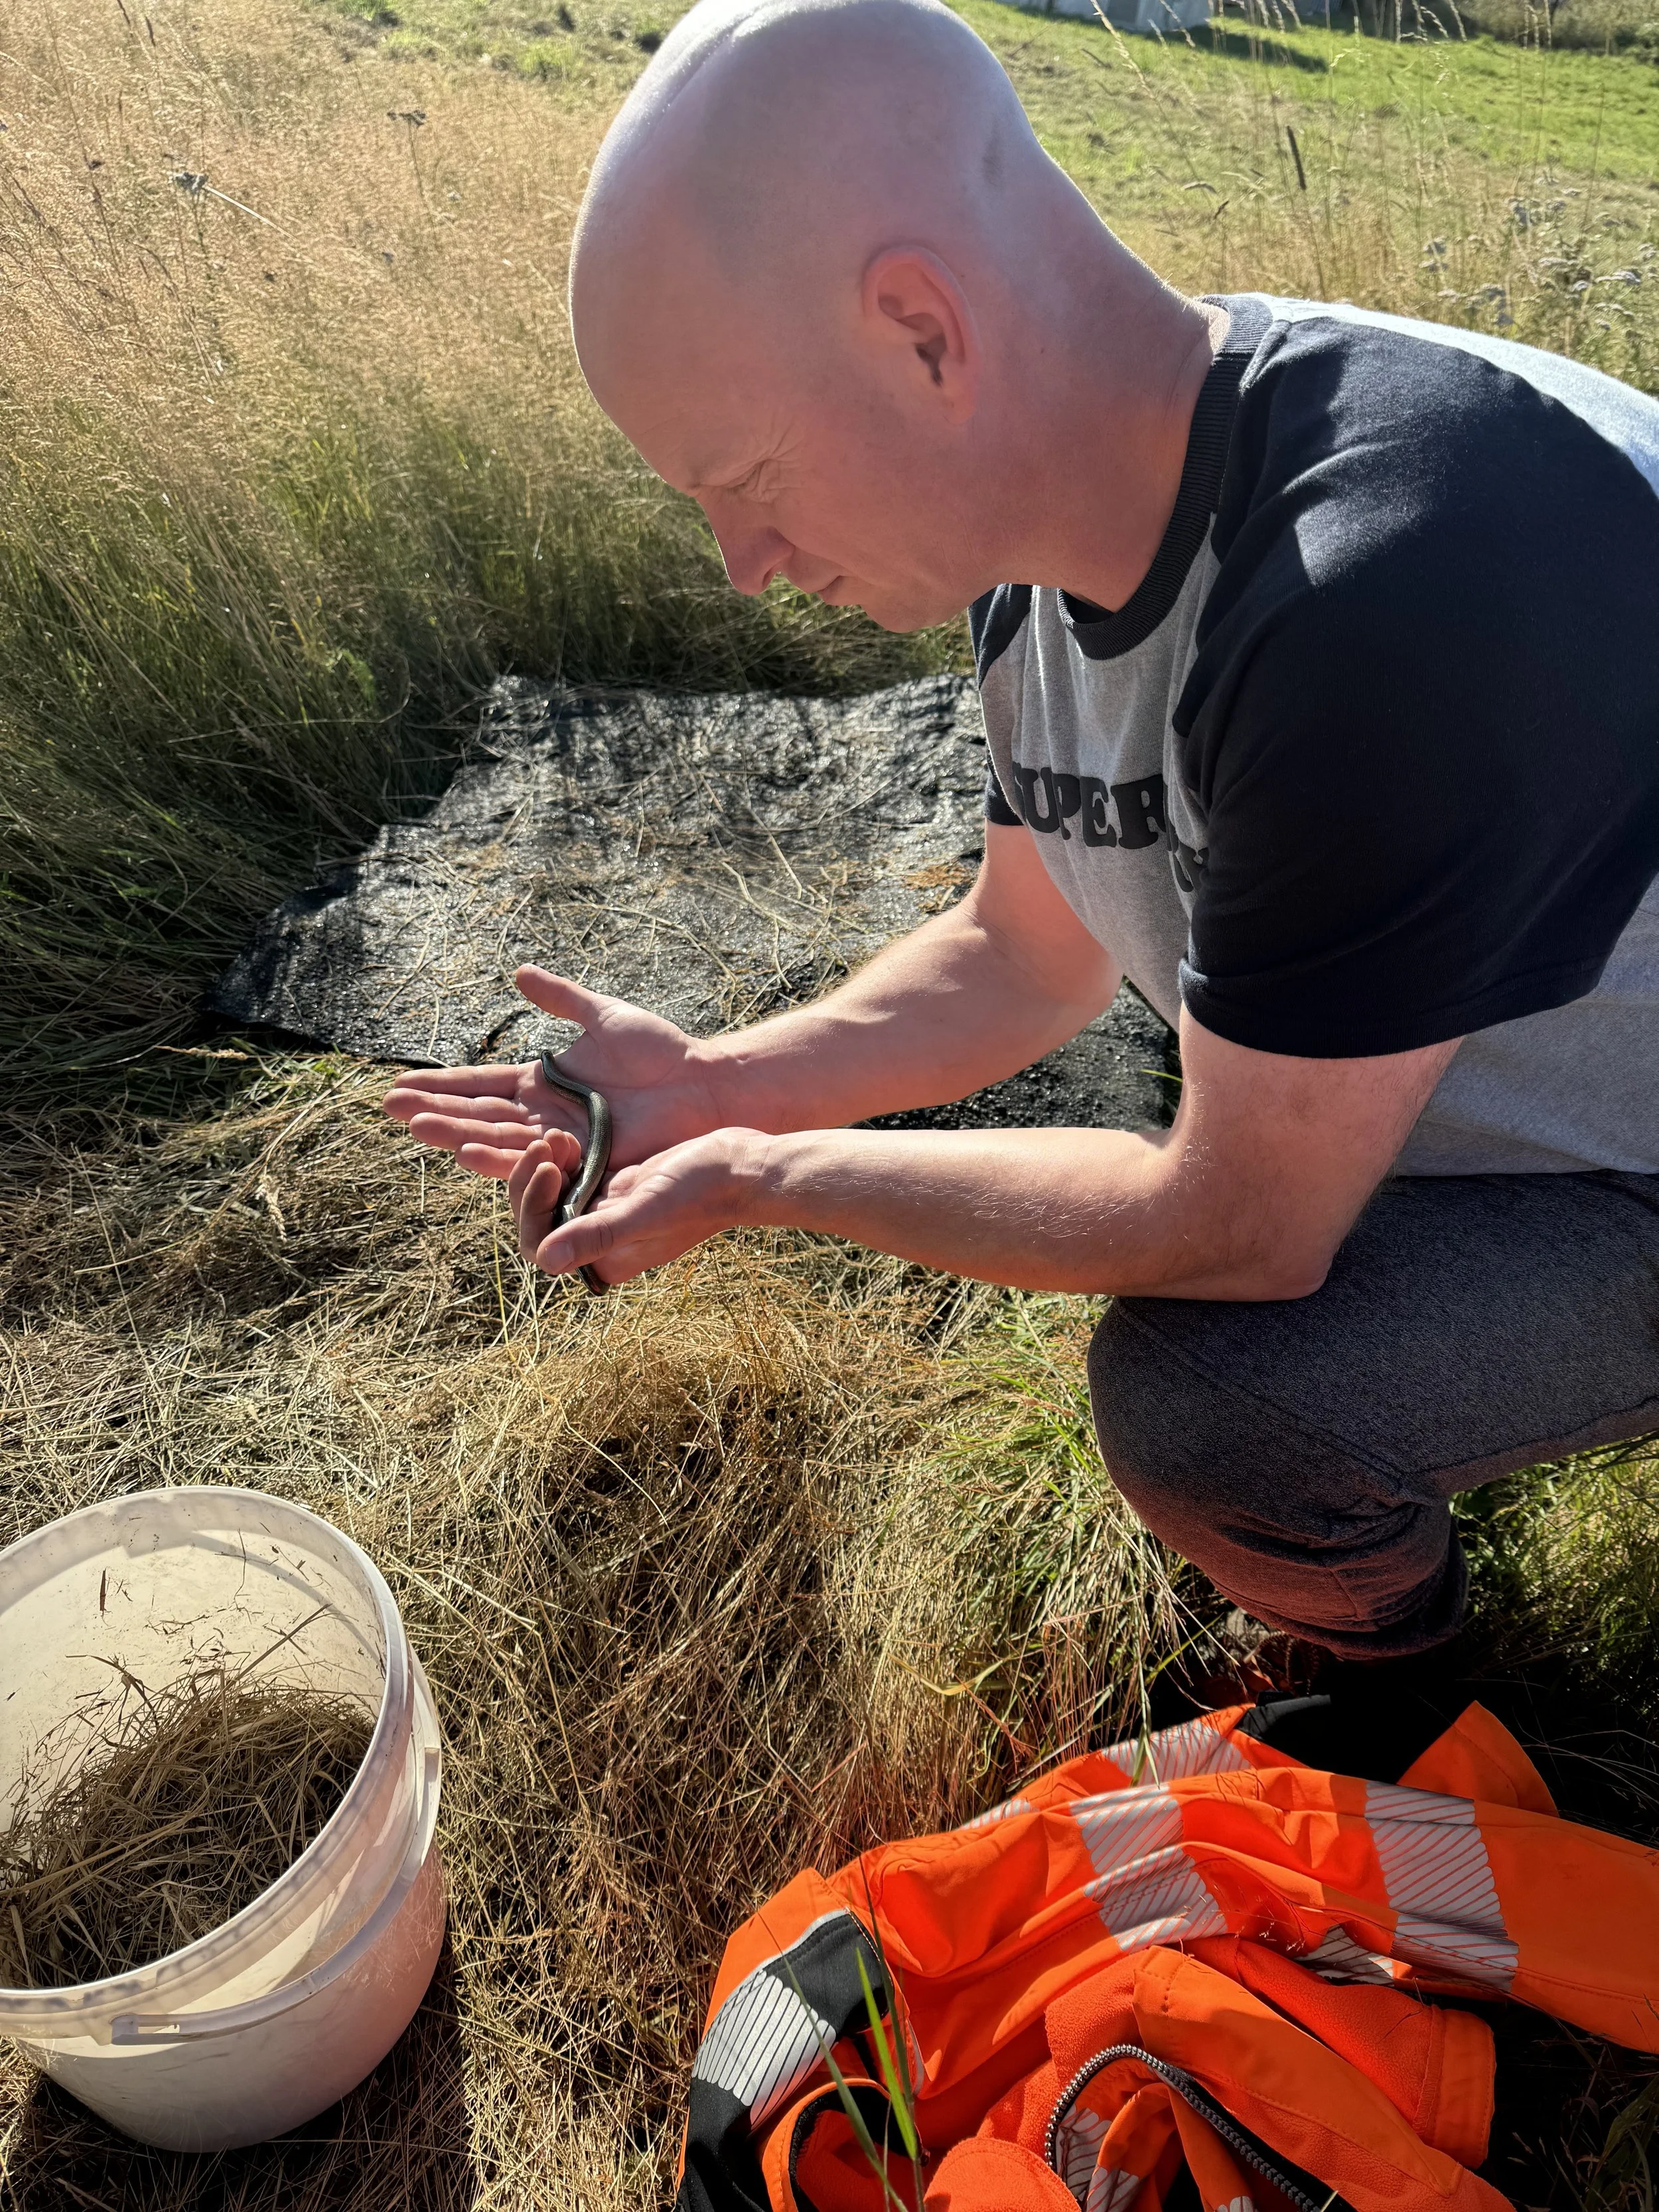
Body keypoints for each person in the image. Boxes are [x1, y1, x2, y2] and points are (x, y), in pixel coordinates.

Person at [384, 0, 1659, 1680]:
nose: (740, 564)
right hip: (1487, 1097)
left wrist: (768, 1177)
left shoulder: (1388, 592)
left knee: (1211, 1403)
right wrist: (715, 1082)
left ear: (922, 329)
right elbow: (1017, 952)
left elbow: (1238, 1222)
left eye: (745, 474)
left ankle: (1406, 1687)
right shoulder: (1048, 527)